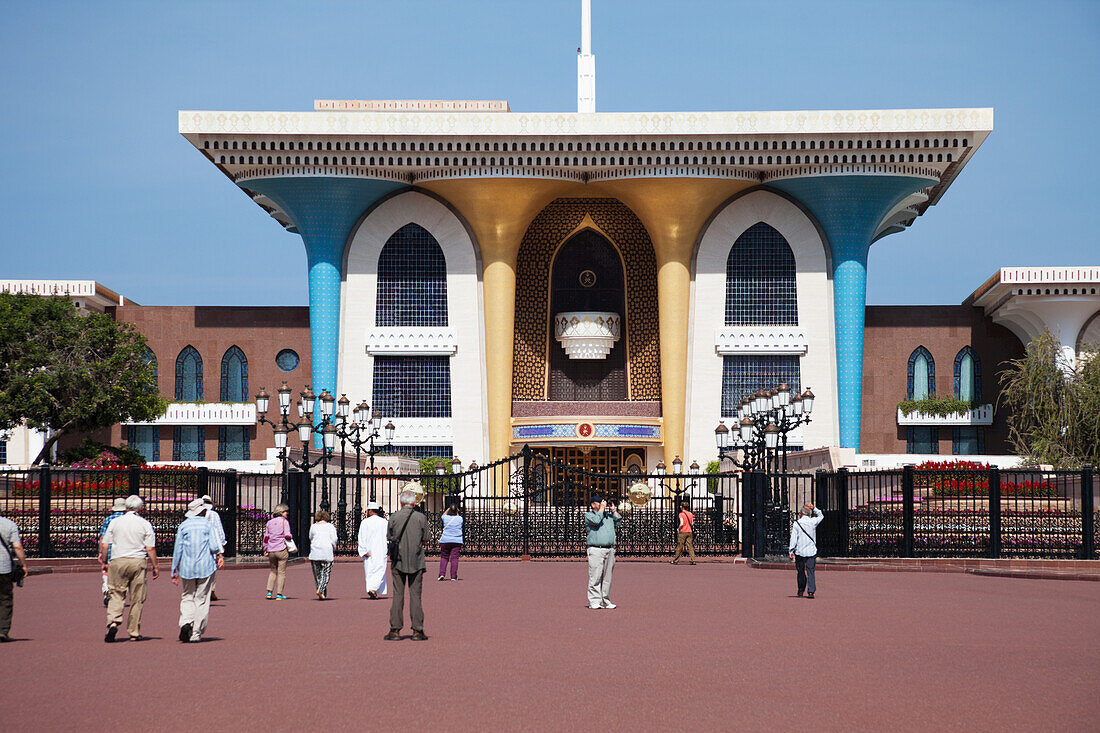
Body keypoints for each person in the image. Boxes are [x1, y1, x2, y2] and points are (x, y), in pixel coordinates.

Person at [100, 495, 159, 642]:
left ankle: (113, 622)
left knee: (116, 594)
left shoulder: (115, 522)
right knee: (137, 598)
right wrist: (155, 566)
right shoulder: (145, 523)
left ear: (126, 507)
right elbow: (150, 548)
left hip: (118, 559)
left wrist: (105, 561)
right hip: (137, 561)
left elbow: (105, 544)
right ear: (140, 508)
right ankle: (133, 632)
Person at [171, 498, 224, 643]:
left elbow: (178, 549)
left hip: (187, 567)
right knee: (201, 599)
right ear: (203, 511)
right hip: (205, 566)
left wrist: (174, 570)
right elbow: (213, 546)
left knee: (187, 596)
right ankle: (196, 632)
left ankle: (186, 622)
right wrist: (219, 555)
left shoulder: (183, 526)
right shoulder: (207, 525)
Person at [385, 486, 429, 640]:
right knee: (415, 596)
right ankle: (417, 630)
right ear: (414, 503)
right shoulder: (421, 518)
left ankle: (395, 629)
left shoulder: (394, 517)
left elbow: (390, 536)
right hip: (416, 560)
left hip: (398, 560)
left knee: (398, 595)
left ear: (401, 502)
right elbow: (426, 538)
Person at [584, 495, 621, 610]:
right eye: (599, 503)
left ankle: (605, 600)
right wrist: (601, 510)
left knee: (607, 577)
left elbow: (618, 521)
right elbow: (596, 521)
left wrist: (613, 510)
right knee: (595, 576)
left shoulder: (608, 516)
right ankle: (594, 601)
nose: (602, 504)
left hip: (609, 549)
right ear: (593, 504)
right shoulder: (589, 515)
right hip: (596, 549)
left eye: (603, 503)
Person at [0, 511, 28, 643]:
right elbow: (17, 546)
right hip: (3, 567)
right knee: (5, 599)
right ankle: (2, 631)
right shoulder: (9, 524)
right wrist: (23, 565)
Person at [789, 503, 824, 599]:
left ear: (800, 513)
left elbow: (793, 538)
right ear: (809, 513)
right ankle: (811, 591)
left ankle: (801, 590)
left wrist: (791, 550)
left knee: (800, 571)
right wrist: (815, 508)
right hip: (811, 550)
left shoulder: (797, 523)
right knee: (811, 571)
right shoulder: (813, 522)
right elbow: (821, 516)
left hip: (800, 551)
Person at [98, 497, 127, 606]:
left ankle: (107, 589)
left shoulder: (108, 520)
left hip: (110, 551)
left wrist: (101, 552)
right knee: (123, 576)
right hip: (124, 552)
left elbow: (102, 538)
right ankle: (120, 595)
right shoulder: (128, 519)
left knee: (107, 573)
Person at [357, 502, 388, 599]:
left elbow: (361, 537)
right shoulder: (384, 522)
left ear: (370, 511)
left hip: (368, 549)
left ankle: (372, 588)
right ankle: (373, 589)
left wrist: (362, 550)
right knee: (380, 569)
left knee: (369, 570)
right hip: (381, 549)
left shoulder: (365, 522)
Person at [262, 504, 293, 600]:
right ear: (281, 512)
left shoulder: (269, 523)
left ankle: (269, 592)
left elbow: (266, 537)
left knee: (272, 571)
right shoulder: (284, 522)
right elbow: (287, 535)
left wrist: (265, 548)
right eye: (285, 511)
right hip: (281, 548)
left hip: (271, 549)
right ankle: (279, 594)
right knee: (281, 572)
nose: (287, 513)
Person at [200, 494, 226, 601]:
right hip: (212, 545)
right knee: (212, 569)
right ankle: (211, 589)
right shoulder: (214, 514)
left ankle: (202, 589)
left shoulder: (197, 514)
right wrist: (222, 545)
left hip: (200, 544)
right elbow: (218, 530)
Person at [308, 510, 338, 600]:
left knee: (317, 575)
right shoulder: (330, 526)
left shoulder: (313, 527)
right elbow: (334, 539)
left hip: (315, 552)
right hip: (326, 552)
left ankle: (320, 590)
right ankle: (321, 590)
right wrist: (334, 547)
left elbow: (310, 537)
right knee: (325, 573)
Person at [438, 503, 463, 581]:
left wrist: (448, 509)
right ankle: (453, 576)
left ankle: (441, 574)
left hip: (445, 540)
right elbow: (458, 516)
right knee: (454, 558)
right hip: (457, 540)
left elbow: (443, 515)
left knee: (444, 557)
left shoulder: (445, 518)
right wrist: (456, 511)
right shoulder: (460, 519)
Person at [671, 498, 696, 565]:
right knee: (690, 546)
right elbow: (692, 523)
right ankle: (693, 559)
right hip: (689, 531)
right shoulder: (690, 514)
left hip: (683, 531)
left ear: (682, 507)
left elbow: (681, 523)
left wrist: (678, 529)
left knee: (680, 546)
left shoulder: (681, 514)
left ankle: (676, 560)